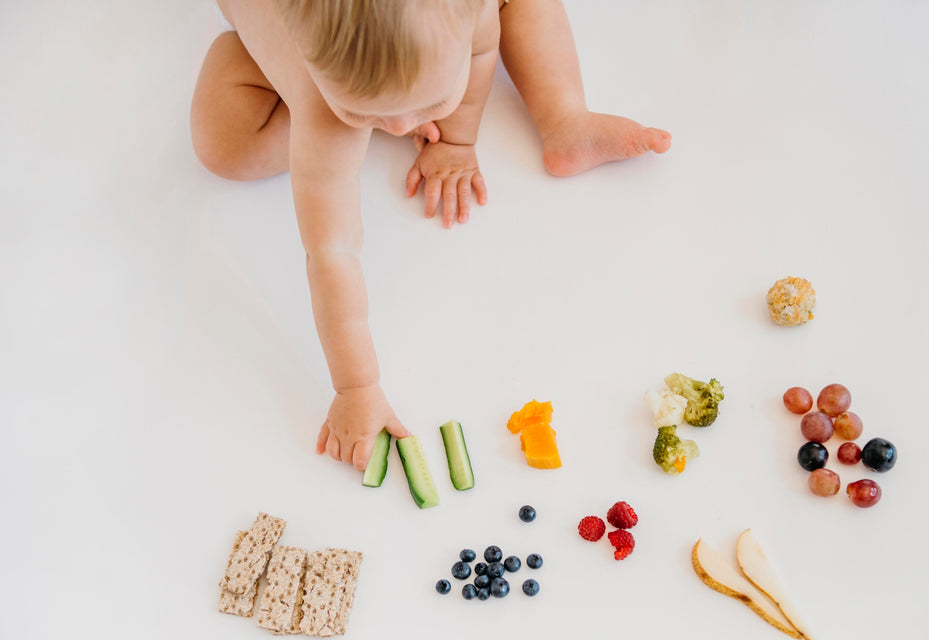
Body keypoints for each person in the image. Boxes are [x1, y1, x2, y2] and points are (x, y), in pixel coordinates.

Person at [190, 0, 671, 471]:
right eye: (368, 110)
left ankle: (565, 117)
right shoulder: (322, 109)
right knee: (223, 146)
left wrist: (457, 138)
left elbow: (482, 50)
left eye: (428, 103)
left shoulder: (473, 12)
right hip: (283, 48)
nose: (404, 127)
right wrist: (356, 387)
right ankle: (372, 93)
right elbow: (330, 251)